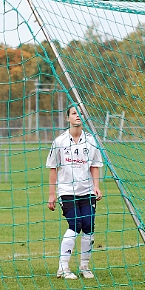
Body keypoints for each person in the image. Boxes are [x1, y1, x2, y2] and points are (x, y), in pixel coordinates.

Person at [46, 105, 104, 279]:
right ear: (67, 118)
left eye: (80, 113)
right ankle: (63, 267)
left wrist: (96, 186)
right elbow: (52, 168)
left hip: (86, 191)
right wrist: (51, 194)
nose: (77, 115)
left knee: (88, 226)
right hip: (66, 191)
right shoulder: (59, 141)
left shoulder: (91, 140)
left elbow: (94, 166)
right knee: (76, 225)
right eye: (73, 113)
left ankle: (84, 267)